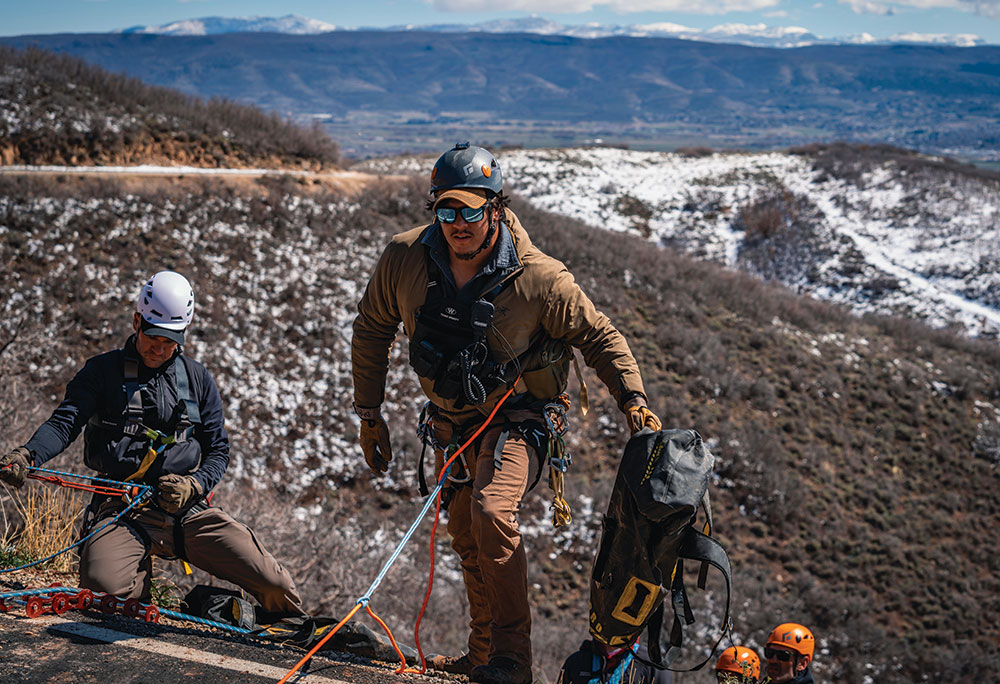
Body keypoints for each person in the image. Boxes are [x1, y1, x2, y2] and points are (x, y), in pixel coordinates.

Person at [351, 142, 661, 684]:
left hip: (523, 417)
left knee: (492, 512)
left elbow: (599, 336)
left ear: (496, 206)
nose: (458, 223)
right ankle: (481, 655)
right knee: (466, 531)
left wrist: (633, 400)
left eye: (472, 209)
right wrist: (369, 413)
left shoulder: (541, 279)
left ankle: (512, 660)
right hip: (455, 423)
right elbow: (372, 327)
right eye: (446, 209)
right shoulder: (405, 259)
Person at [0, 271, 303, 617]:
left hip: (186, 510)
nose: (159, 349)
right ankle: (138, 593)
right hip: (120, 507)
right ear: (136, 321)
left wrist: (194, 484)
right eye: (153, 337)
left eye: (170, 341)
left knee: (275, 585)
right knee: (102, 592)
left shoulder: (198, 379)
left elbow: (219, 450)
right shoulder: (101, 372)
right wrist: (28, 455)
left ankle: (281, 625)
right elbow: (64, 423)